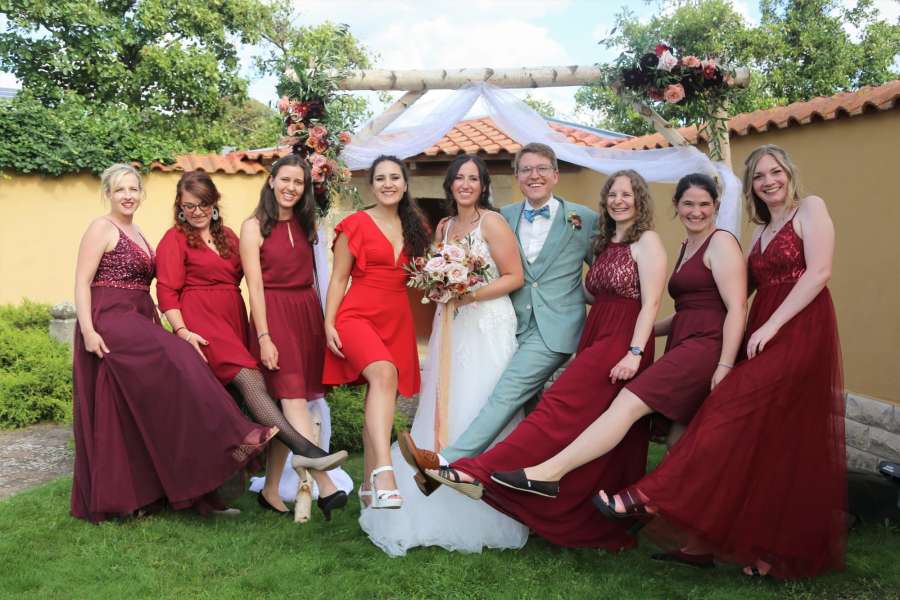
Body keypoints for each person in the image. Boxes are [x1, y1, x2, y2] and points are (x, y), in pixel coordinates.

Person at [596, 145, 846, 579]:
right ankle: (721, 546)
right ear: (750, 187)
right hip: (762, 331)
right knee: (773, 444)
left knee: (725, 412)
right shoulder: (760, 231)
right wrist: (645, 327)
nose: (769, 181)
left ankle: (651, 495)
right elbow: (725, 297)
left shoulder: (810, 208)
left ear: (789, 172)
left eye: (775, 172)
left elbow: (819, 272)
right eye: (759, 176)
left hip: (800, 329)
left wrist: (771, 326)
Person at [423, 170, 668, 550]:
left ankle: (474, 470)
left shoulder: (646, 240)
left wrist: (635, 352)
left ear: (640, 199)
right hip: (596, 331)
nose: (619, 201)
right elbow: (587, 289)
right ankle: (580, 512)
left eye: (627, 194)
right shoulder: (605, 241)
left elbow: (651, 303)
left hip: (622, 341)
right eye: (613, 195)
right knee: (585, 422)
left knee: (558, 406)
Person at [491, 174, 747, 530]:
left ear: (717, 206)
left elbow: (736, 308)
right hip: (685, 338)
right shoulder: (688, 246)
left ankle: (559, 476)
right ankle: (702, 527)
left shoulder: (721, 242)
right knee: (679, 439)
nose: (696, 211)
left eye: (704, 204)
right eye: (688, 203)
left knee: (628, 403)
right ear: (676, 206)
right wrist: (644, 331)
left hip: (707, 346)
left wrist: (725, 364)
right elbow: (689, 310)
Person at [71, 164, 277, 523]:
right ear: (108, 193)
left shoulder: (137, 231)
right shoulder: (101, 227)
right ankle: (238, 435)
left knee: (146, 408)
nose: (128, 196)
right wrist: (89, 331)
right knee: (183, 357)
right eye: (120, 190)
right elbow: (81, 282)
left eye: (133, 189)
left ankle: (159, 492)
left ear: (142, 193)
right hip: (110, 318)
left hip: (138, 314)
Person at [399, 143, 600, 485]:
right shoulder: (503, 216)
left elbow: (604, 273)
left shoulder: (583, 219)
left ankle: (445, 462)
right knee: (528, 413)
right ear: (517, 176)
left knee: (506, 393)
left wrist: (603, 310)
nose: (534, 176)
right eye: (526, 169)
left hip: (554, 328)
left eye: (542, 169)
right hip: (511, 324)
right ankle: (535, 482)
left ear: (555, 174)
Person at [359, 155, 529, 554]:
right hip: (451, 322)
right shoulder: (444, 227)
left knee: (482, 400)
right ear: (450, 185)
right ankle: (434, 474)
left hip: (487, 324)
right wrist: (440, 286)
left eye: (473, 178)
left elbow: (514, 276)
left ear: (483, 185)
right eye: (459, 178)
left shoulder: (493, 222)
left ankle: (485, 499)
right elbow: (434, 275)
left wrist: (469, 293)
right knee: (445, 401)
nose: (465, 184)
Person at [155, 171, 347, 512]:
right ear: (179, 207)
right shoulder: (175, 239)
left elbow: (260, 273)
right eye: (189, 206)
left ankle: (267, 487)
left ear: (214, 204)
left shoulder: (228, 237)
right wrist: (182, 331)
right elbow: (167, 291)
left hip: (232, 322)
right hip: (201, 324)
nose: (196, 212)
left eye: (203, 204)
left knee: (263, 396)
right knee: (251, 381)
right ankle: (308, 452)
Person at [240, 154, 348, 520]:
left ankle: (270, 489)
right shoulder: (253, 227)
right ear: (271, 181)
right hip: (274, 316)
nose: (290, 187)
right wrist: (264, 337)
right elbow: (254, 288)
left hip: (306, 315)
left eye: (298, 182)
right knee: (293, 399)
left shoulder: (307, 224)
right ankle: (326, 484)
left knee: (289, 408)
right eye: (285, 179)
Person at [322, 155, 430, 510]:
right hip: (357, 316)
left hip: (397, 321)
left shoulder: (416, 228)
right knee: (384, 373)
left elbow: (424, 275)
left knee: (382, 396)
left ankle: (370, 490)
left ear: (405, 183)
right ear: (371, 186)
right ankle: (385, 472)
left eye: (394, 177)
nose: (388, 184)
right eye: (380, 178)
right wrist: (329, 323)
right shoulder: (354, 224)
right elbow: (339, 278)